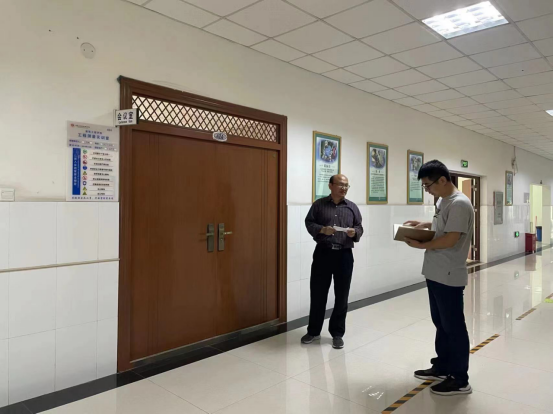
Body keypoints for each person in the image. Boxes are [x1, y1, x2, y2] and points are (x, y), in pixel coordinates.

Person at [404, 160, 475, 396]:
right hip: (435, 271)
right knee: (441, 324)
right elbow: (443, 226)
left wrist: (421, 244)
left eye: (428, 185)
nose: (427, 190)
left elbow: (451, 238)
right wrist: (423, 224)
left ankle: (460, 379)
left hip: (448, 274)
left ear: (443, 180)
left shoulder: (460, 203)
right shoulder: (444, 200)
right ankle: (443, 366)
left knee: (454, 327)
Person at [302, 174, 364, 350]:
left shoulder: (352, 207)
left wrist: (355, 232)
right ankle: (313, 331)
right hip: (323, 253)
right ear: (330, 185)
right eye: (340, 185)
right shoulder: (319, 205)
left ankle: (337, 333)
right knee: (318, 293)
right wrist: (322, 229)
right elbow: (309, 222)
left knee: (342, 295)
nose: (344, 188)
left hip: (344, 255)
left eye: (346, 185)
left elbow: (359, 227)